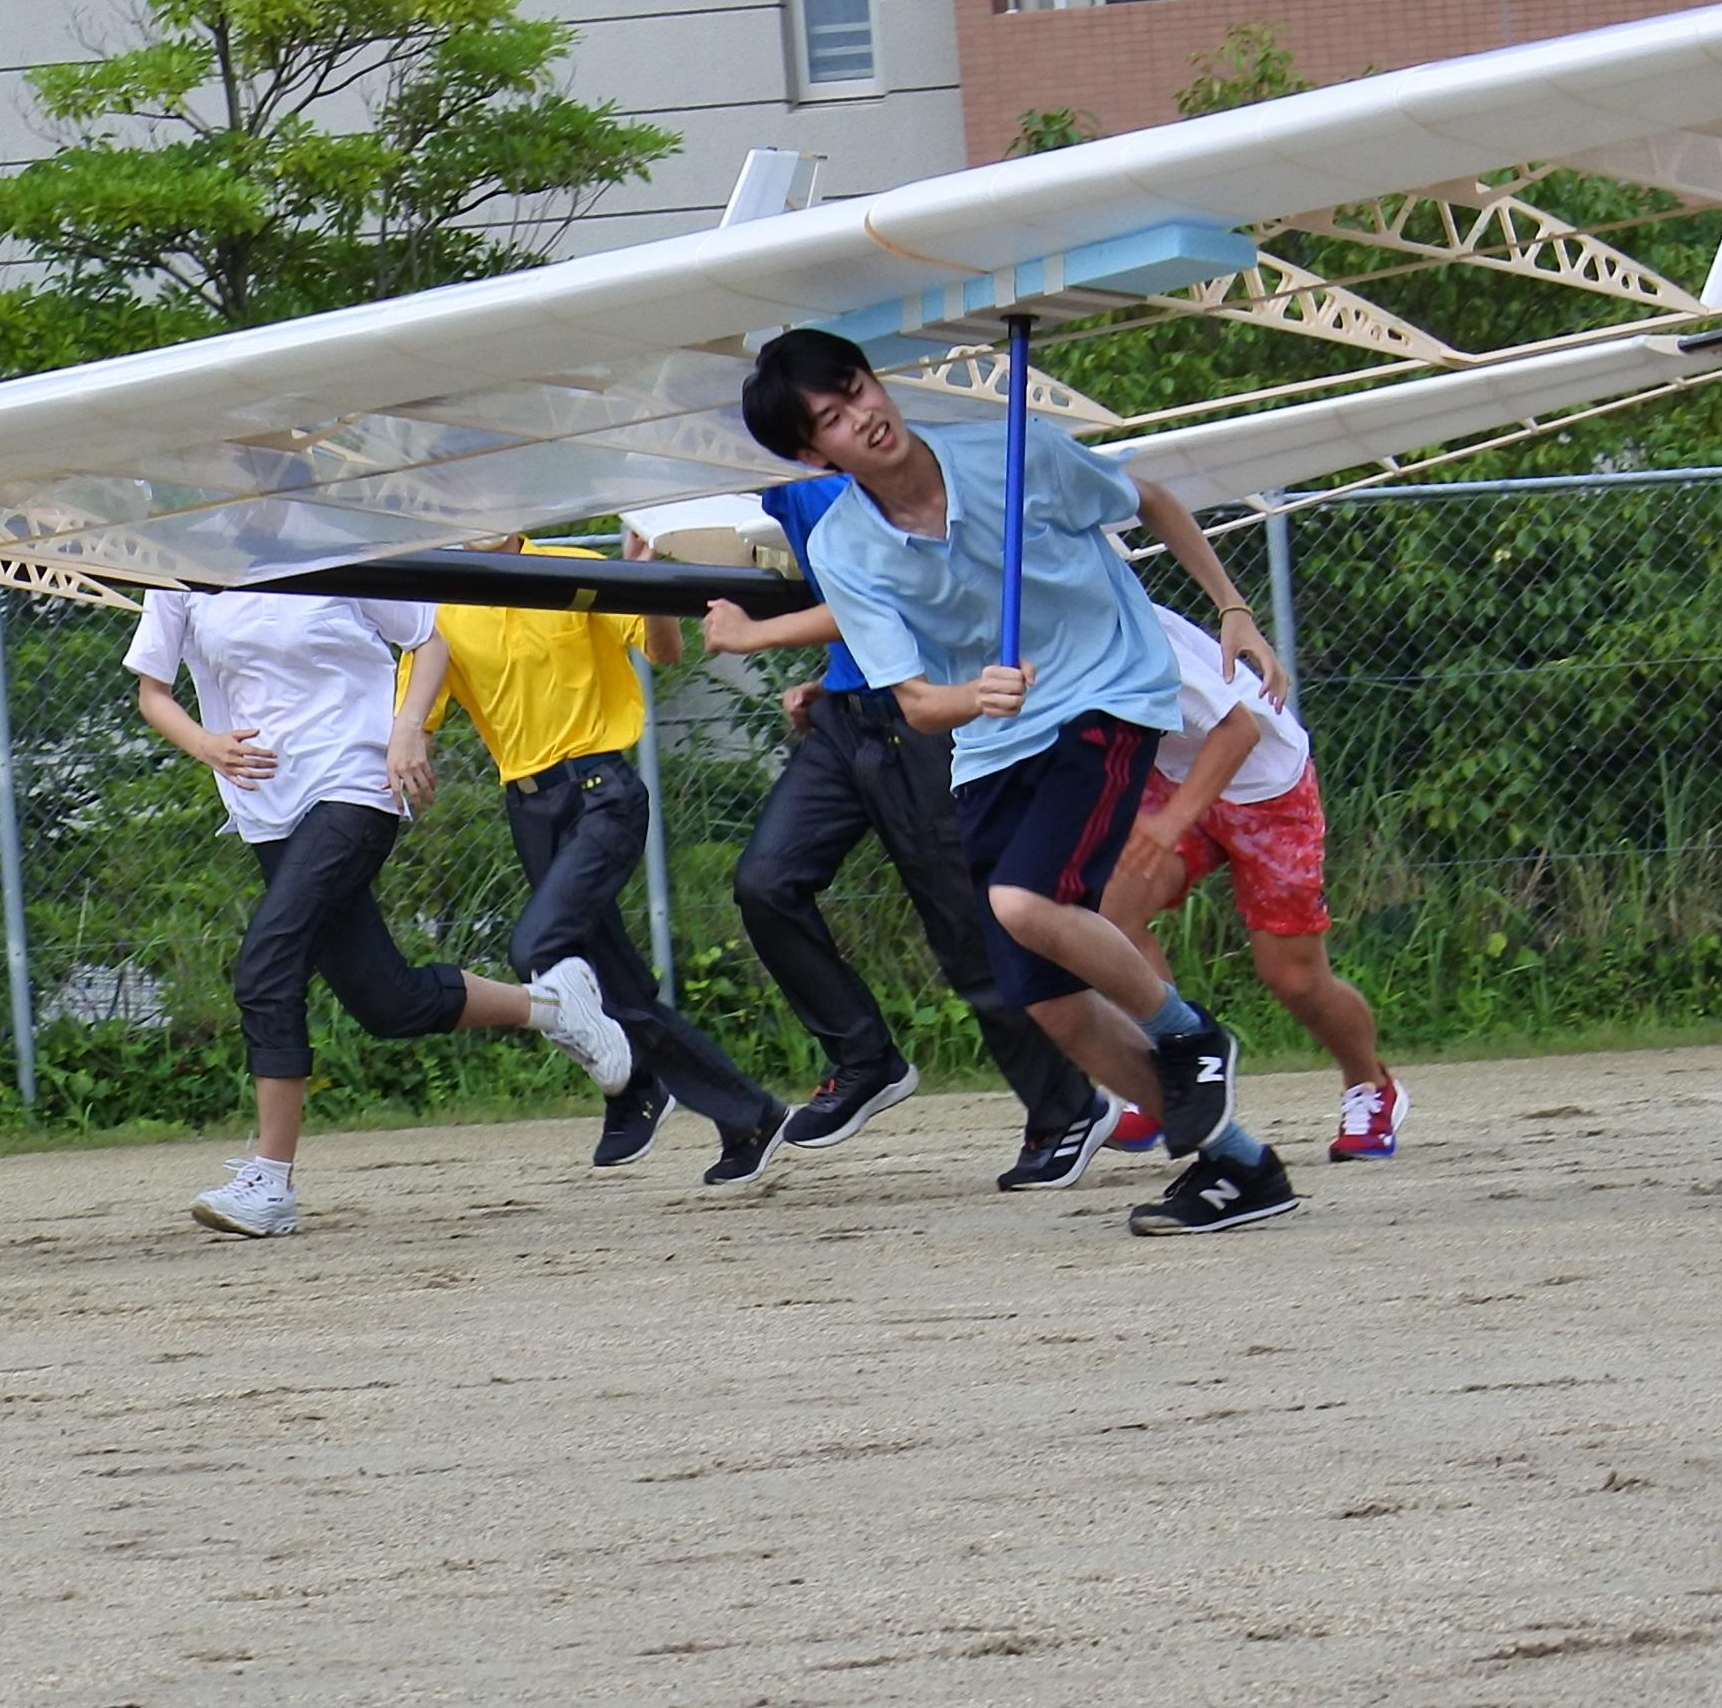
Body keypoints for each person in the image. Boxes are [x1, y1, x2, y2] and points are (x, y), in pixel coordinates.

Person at [741, 329, 1305, 1238]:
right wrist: (974, 692)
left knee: (1022, 899)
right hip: (993, 743)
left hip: (1104, 690)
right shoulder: (846, 548)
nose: (865, 417)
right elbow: (921, 705)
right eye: (833, 419)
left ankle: (1188, 1033)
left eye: (860, 390)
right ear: (814, 455)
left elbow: (1151, 498)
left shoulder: (1013, 453)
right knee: (1047, 1001)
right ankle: (1239, 1166)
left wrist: (1232, 608)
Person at [123, 580, 642, 1238]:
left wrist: (406, 732)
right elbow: (152, 692)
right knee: (384, 1000)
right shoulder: (178, 567)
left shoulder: (329, 545)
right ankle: (551, 1005)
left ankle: (268, 1179)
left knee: (266, 962)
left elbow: (427, 637)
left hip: (355, 779)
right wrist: (205, 745)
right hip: (263, 803)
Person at [702, 473, 1110, 1187]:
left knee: (966, 930)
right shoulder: (780, 491)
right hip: (845, 718)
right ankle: (866, 1059)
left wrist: (753, 634)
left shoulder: (835, 471)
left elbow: (884, 593)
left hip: (919, 720)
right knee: (765, 881)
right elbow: (844, 606)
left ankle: (1067, 1107)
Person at [394, 538, 789, 1193]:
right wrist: (403, 745)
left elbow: (663, 651)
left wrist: (645, 583)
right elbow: (416, 717)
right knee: (617, 987)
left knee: (537, 948)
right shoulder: (441, 603)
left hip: (601, 794)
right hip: (527, 806)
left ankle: (631, 1083)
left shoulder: (575, 565)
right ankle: (748, 1114)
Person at [1095, 611, 1405, 1162]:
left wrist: (1170, 824)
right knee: (1111, 917)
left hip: (1265, 785)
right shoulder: (1033, 622)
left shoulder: (1120, 627)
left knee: (1292, 977)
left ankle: (1371, 1086)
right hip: (1174, 775)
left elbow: (1239, 731)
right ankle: (1173, 1085)